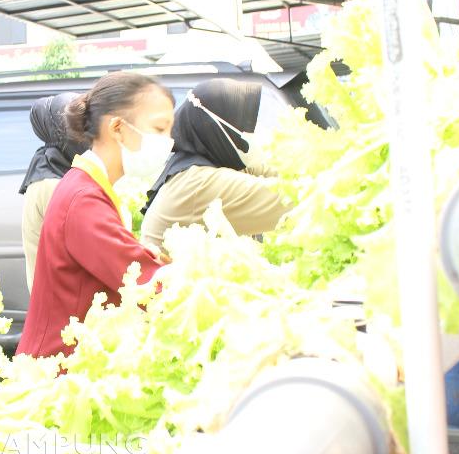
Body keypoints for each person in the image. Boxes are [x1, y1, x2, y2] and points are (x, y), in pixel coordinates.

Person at [17, 72, 175, 359]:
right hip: (58, 369)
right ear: (117, 127)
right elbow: (146, 283)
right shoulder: (84, 199)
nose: (168, 142)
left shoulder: (85, 185)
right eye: (159, 128)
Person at [141, 78, 289, 248]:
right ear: (215, 128)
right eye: (245, 124)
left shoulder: (206, 162)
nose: (253, 131)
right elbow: (291, 201)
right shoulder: (198, 183)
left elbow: (279, 171)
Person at [19, 92, 87, 293]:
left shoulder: (52, 170)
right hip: (59, 298)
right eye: (76, 128)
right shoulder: (52, 183)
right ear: (58, 132)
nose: (85, 137)